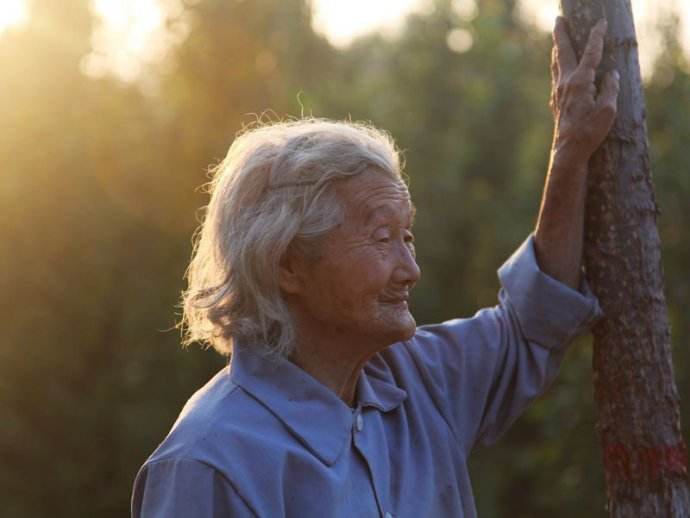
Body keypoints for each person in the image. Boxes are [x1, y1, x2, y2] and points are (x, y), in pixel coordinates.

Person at [132, 17, 619, 518]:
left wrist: (571, 151)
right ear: (288, 264)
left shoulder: (419, 380)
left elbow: (534, 323)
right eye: (382, 238)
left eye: (407, 237)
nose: (411, 269)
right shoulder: (209, 464)